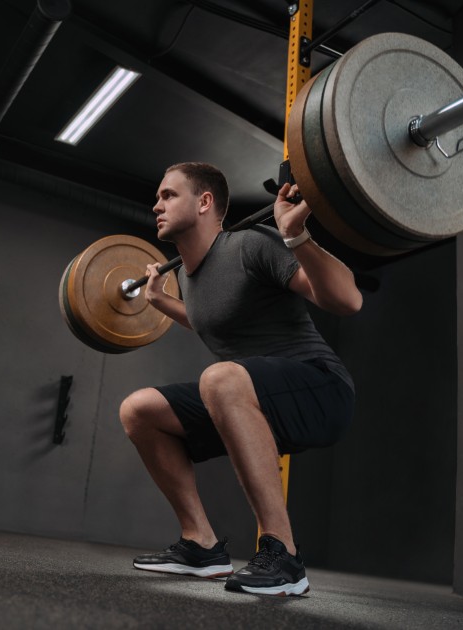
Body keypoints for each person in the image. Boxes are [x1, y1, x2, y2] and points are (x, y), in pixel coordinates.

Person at [119, 162, 361, 596]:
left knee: (219, 378)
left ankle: (284, 556)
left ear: (204, 202)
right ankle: (200, 545)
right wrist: (159, 300)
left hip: (321, 389)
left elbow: (348, 300)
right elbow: (210, 319)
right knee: (139, 410)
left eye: (168, 195)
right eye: (158, 197)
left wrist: (295, 234)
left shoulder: (251, 244)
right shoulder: (188, 277)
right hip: (245, 396)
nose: (156, 205)